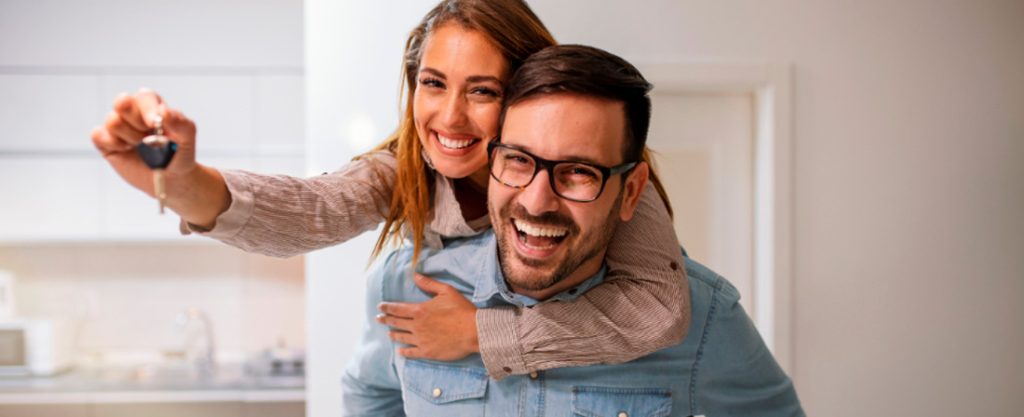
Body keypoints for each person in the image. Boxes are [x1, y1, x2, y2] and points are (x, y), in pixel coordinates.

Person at [89, 0, 689, 379]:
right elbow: (314, 210)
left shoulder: (598, 182)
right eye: (433, 83)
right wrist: (183, 182)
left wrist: (481, 333)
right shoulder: (408, 168)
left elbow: (658, 308)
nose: (449, 119)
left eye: (482, 91)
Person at [343, 44, 803, 417]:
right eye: (518, 160)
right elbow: (370, 395)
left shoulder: (704, 317)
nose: (537, 201)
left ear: (630, 192)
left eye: (578, 171)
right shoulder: (404, 286)